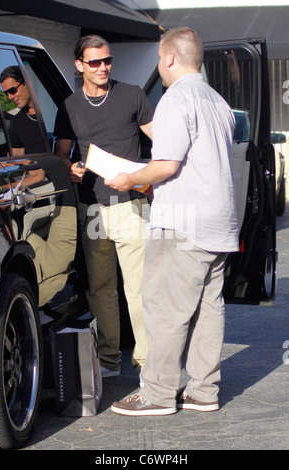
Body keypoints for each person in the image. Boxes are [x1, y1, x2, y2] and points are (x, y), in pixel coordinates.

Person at [106, 27, 239, 415]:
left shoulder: (174, 99)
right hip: (220, 224)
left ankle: (157, 394)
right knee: (207, 309)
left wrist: (129, 178)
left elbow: (167, 165)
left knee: (165, 307)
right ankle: (203, 390)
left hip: (182, 223)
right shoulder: (218, 101)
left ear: (167, 58)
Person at [54, 35, 154, 377]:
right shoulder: (69, 106)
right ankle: (108, 360)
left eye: (107, 60)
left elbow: (162, 139)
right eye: (94, 62)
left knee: (139, 288)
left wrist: (153, 176)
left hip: (132, 205)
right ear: (79, 65)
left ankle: (146, 363)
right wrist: (71, 169)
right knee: (100, 289)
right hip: (91, 208)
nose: (103, 67)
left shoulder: (132, 94)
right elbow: (61, 155)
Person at [0, 66, 46, 155]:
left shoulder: (55, 110)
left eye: (12, 90)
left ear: (26, 83)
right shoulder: (16, 122)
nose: (10, 97)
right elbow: (15, 159)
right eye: (6, 94)